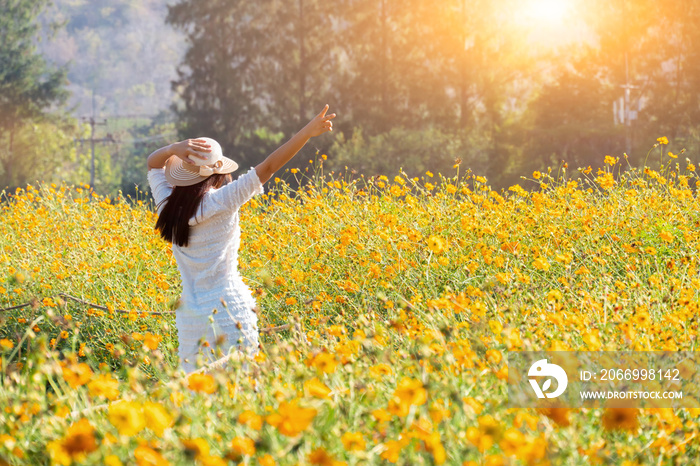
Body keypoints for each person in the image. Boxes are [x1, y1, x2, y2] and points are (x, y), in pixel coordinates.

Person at [147, 104, 336, 374]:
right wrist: (308, 131)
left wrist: (173, 148)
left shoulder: (167, 206)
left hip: (192, 319)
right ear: (217, 172)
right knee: (242, 394)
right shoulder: (223, 200)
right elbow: (269, 166)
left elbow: (153, 163)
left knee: (196, 398)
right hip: (229, 312)